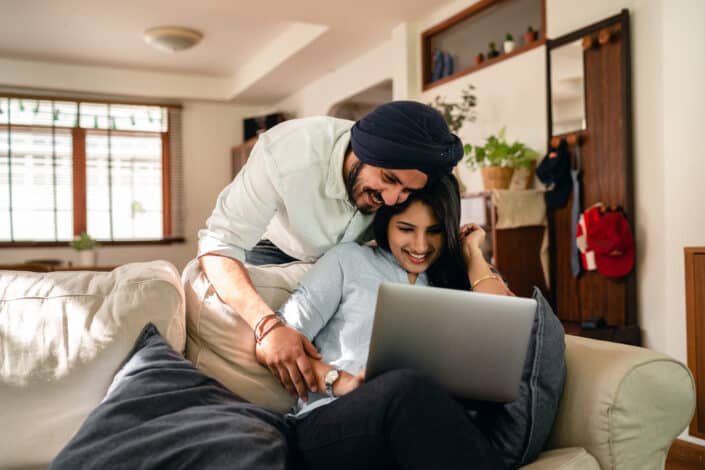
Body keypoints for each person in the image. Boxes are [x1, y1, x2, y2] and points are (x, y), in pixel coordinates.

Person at [195, 101, 464, 400]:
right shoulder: (286, 154)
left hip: (351, 251)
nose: (391, 199)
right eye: (388, 179)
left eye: (407, 191)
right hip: (275, 246)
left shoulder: (395, 197)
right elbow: (219, 244)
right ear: (361, 152)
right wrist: (266, 325)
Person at [264, 173, 513, 469]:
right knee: (406, 386)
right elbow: (276, 342)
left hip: (422, 424)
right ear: (385, 224)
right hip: (333, 420)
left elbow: (505, 327)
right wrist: (337, 381)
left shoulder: (450, 276)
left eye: (434, 231)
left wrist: (472, 253)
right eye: (406, 229)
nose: (421, 246)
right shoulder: (347, 260)